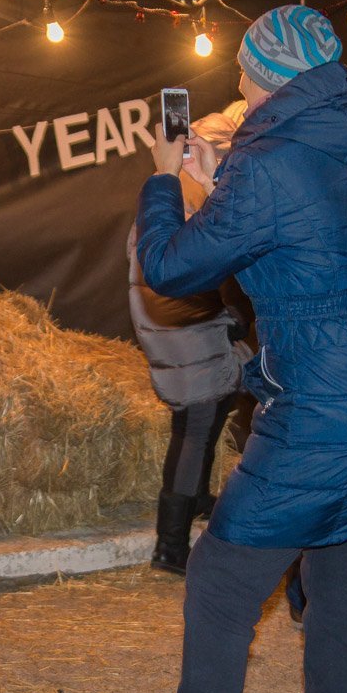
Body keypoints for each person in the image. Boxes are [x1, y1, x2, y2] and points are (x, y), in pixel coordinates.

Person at [136, 4, 347, 693]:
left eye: (246, 80)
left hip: (330, 410)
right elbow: (308, 232)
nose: (242, 94)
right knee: (343, 591)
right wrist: (225, 180)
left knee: (220, 585)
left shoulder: (268, 163)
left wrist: (164, 178)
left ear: (271, 82)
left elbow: (169, 267)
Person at [127, 107, 253, 575]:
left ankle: (195, 500)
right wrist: (227, 315)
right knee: (197, 428)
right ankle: (171, 545)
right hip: (189, 330)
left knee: (197, 422)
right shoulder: (193, 191)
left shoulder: (174, 187)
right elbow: (183, 269)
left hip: (177, 328)